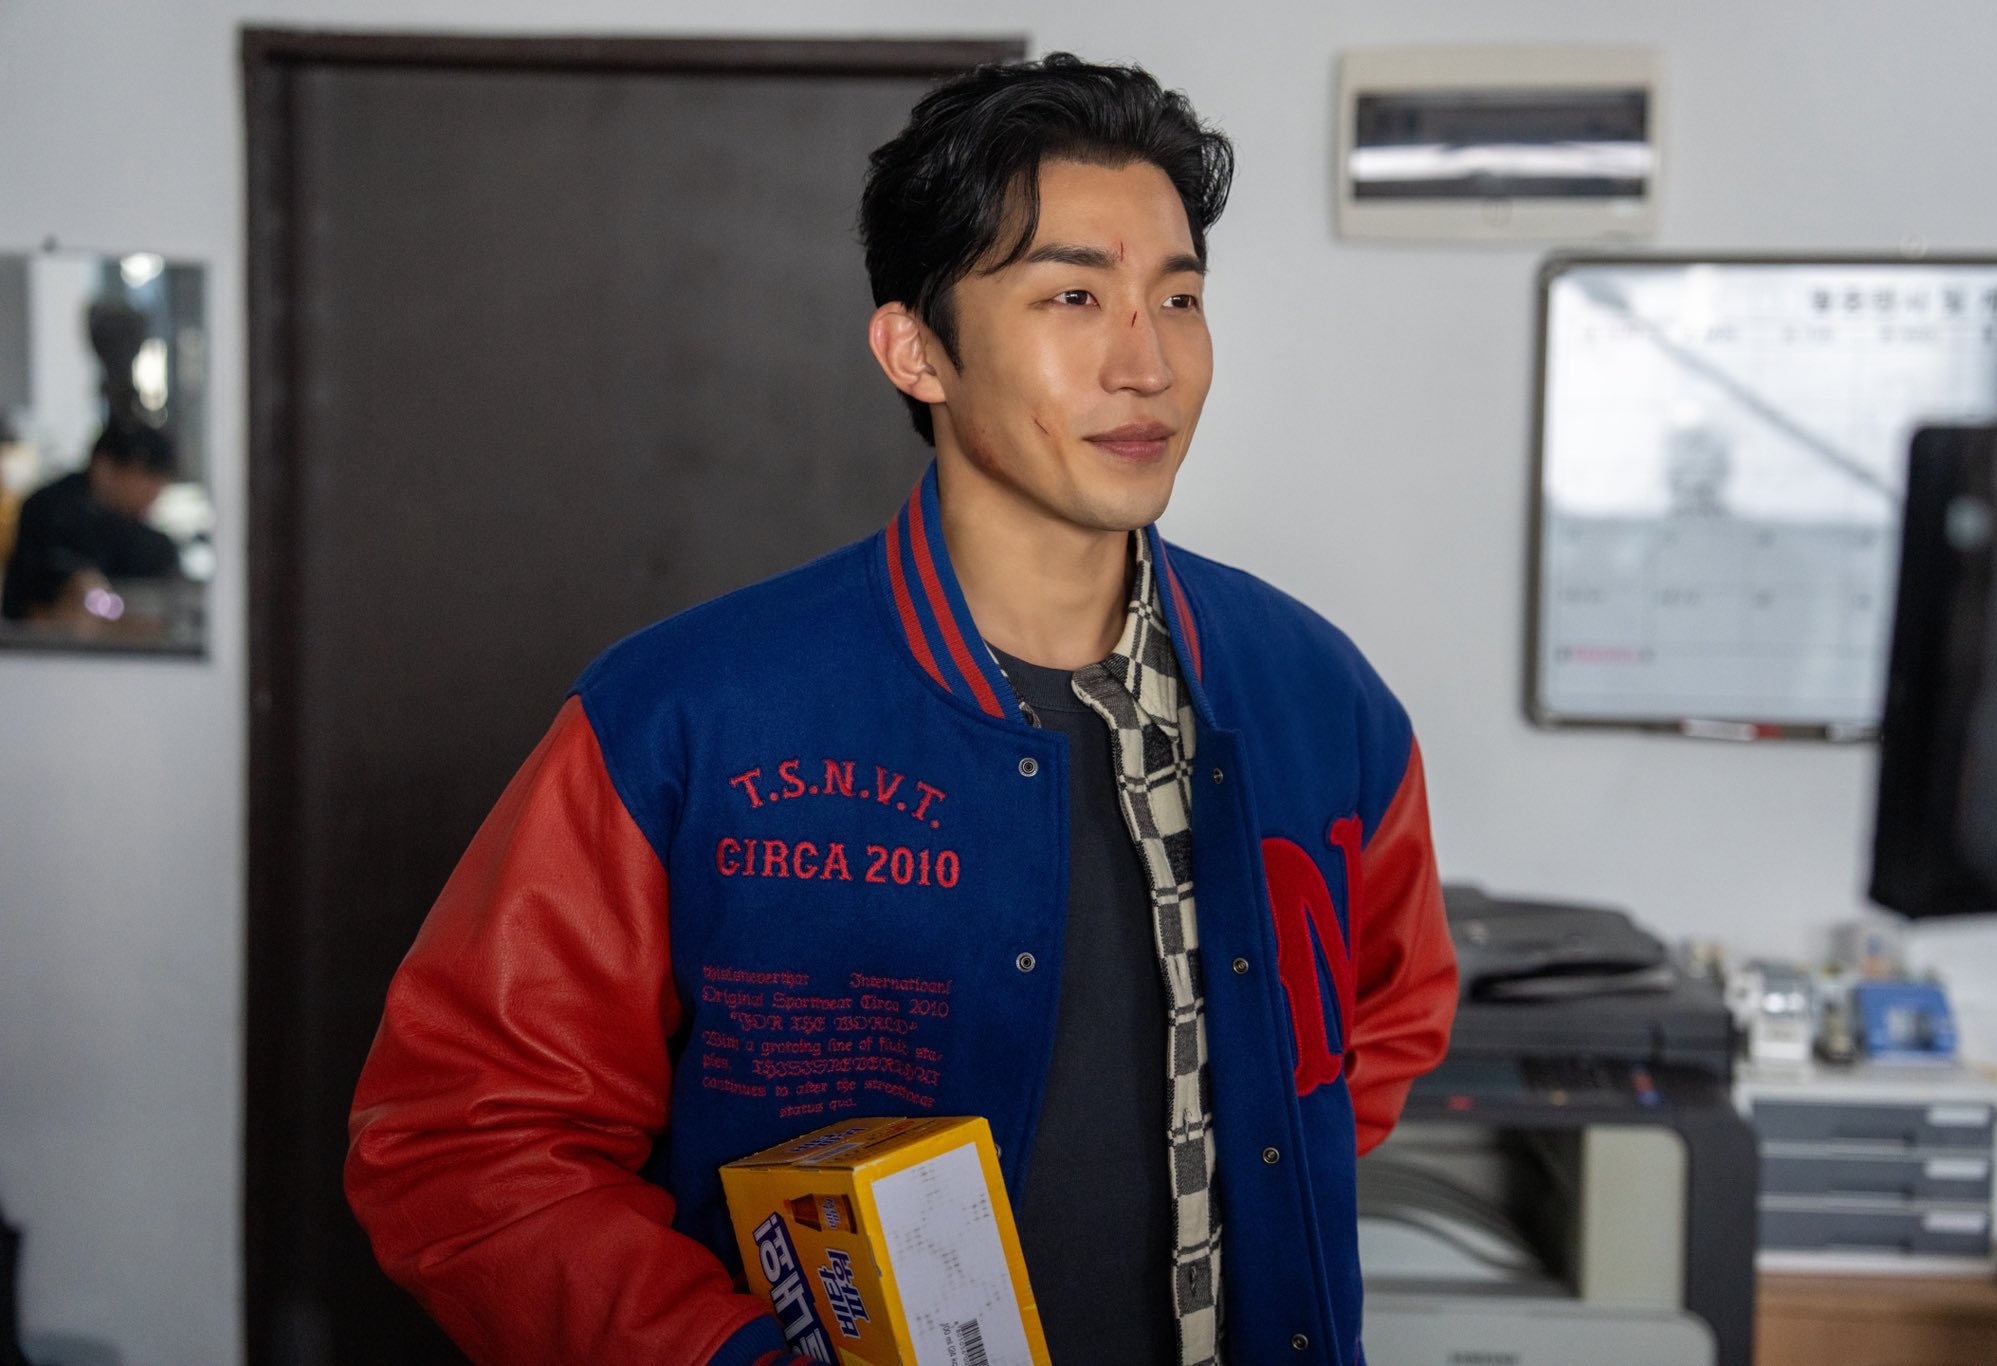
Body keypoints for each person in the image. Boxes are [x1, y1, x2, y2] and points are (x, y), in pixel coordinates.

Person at [346, 53, 1458, 1366]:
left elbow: (1383, 1028)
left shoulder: (1317, 695)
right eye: (1073, 296)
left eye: (1178, 297)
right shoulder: (686, 714)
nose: (1147, 362)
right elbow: (465, 1141)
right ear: (916, 350)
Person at [0, 421, 181, 621]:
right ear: (105, 469)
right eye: (145, 477)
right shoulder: (51, 511)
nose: (153, 492)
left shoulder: (151, 542)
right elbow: (32, 601)